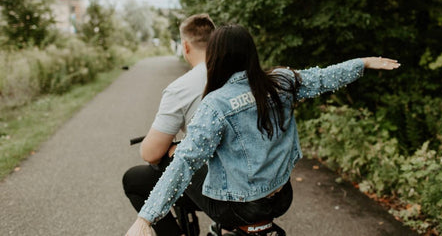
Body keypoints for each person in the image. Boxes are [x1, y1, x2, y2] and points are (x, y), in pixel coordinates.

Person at [125, 24, 401, 236]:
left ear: (215, 58)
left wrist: (145, 218)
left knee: (174, 157)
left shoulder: (216, 104)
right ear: (250, 53)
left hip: (239, 207)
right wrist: (362, 62)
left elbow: (184, 164)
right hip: (281, 197)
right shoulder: (279, 82)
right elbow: (324, 77)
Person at [122, 13, 216, 236]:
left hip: (213, 189)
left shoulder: (182, 88)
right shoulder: (243, 77)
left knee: (133, 180)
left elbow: (151, 154)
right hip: (258, 181)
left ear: (185, 46)